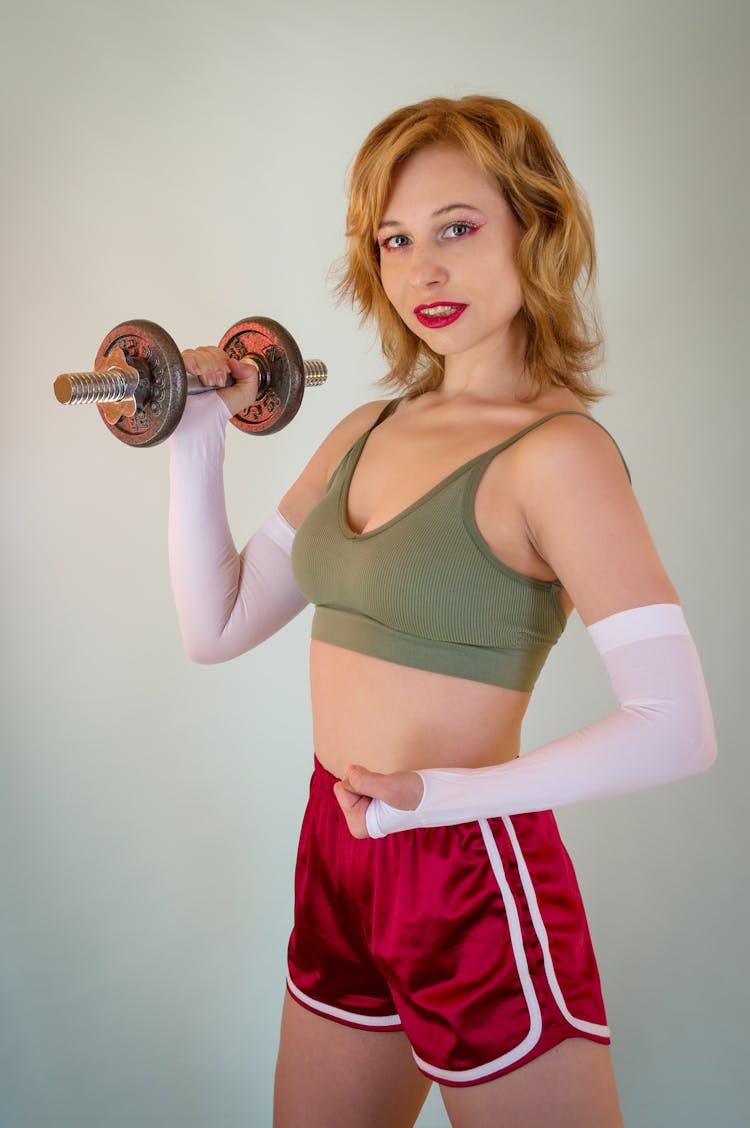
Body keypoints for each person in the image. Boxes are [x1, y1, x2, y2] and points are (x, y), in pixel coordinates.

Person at [168, 96, 716, 1128]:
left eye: (458, 229)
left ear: (535, 227)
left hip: (470, 865)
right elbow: (219, 626)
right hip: (338, 847)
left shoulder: (560, 457)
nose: (423, 271)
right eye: (396, 240)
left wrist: (446, 801)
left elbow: (679, 730)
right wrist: (196, 437)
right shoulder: (365, 427)